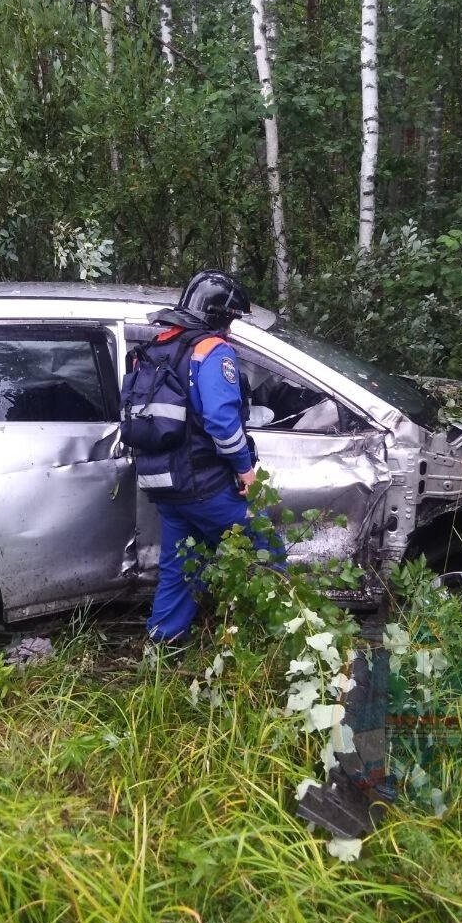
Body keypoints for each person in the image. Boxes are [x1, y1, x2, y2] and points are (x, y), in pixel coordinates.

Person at [123, 268, 281, 647]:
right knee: (265, 549)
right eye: (229, 319)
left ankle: (163, 647)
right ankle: (280, 637)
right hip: (204, 485)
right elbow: (222, 423)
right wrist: (245, 471)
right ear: (220, 316)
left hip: (164, 484)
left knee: (178, 569)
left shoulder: (157, 346)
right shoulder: (212, 351)